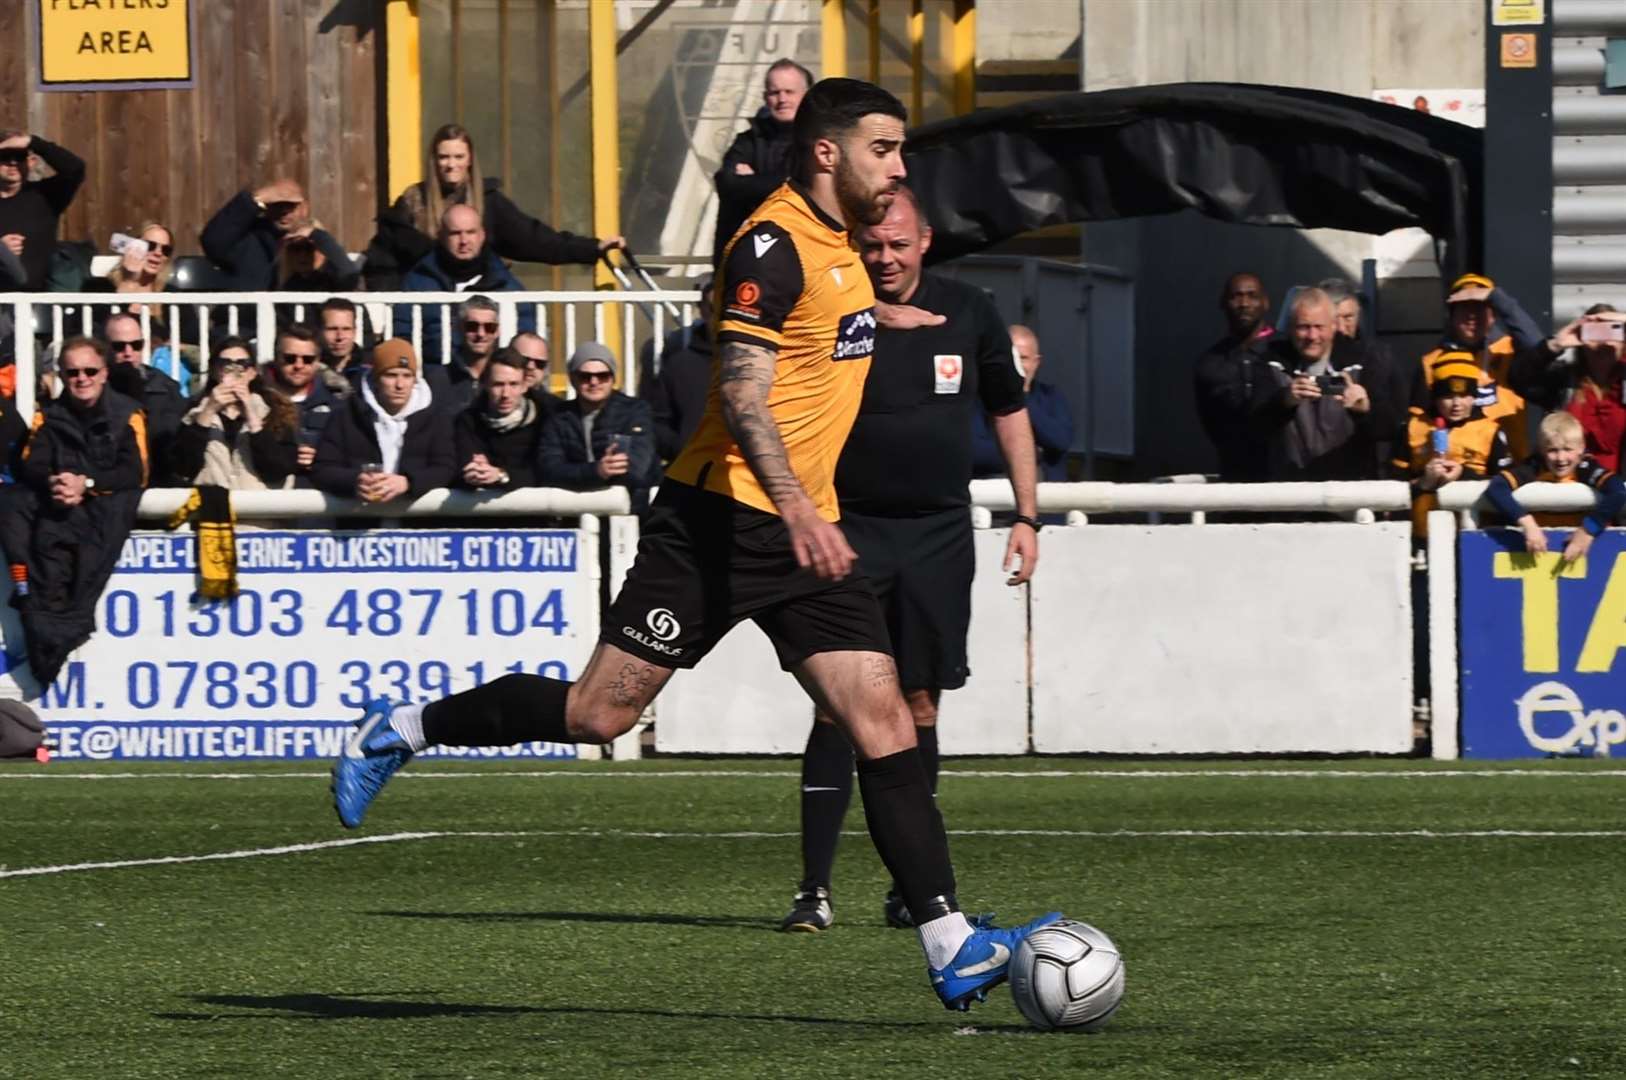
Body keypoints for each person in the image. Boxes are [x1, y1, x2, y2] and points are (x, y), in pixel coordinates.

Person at [330, 76, 1059, 1015]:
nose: (900, 165)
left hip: (804, 536)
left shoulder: (841, 248)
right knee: (599, 716)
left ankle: (950, 945)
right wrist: (797, 506)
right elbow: (747, 391)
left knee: (882, 722)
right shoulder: (769, 240)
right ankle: (400, 727)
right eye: (885, 147)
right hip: (718, 524)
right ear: (829, 152)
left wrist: (880, 320)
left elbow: (813, 335)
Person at [781, 184, 1040, 934]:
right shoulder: (833, 312)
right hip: (844, 529)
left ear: (925, 240)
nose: (885, 257)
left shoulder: (970, 310)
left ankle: (911, 892)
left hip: (937, 535)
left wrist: (1027, 516)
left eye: (898, 244)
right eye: (872, 245)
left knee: (920, 703)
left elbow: (1009, 411)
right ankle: (813, 890)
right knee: (836, 704)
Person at [0, 338, 145, 685]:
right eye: (73, 372)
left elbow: (135, 472)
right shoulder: (46, 415)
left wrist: (88, 484)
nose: (82, 378)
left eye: (90, 371)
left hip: (98, 522)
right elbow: (30, 466)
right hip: (54, 519)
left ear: (104, 373)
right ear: (63, 375)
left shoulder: (130, 413)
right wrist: (57, 483)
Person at [363, 122, 621, 290]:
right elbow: (382, 261)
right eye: (443, 157)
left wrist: (591, 248)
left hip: (479, 312)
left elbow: (537, 240)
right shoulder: (411, 202)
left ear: (470, 160)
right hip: (425, 307)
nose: (451, 164)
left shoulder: (489, 202)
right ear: (433, 161)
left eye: (458, 156)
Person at [1416, 272, 1546, 461]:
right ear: (1451, 317)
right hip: (1455, 469)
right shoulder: (1432, 362)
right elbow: (1418, 424)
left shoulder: (1509, 351)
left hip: (1512, 465)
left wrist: (1497, 299)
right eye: (1464, 308)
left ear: (1493, 316)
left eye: (1479, 307)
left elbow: (1539, 347)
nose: (1471, 316)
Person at [311, 339, 456, 502]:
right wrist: (355, 481)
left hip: (415, 523)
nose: (400, 385)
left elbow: (446, 468)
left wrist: (408, 482)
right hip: (359, 522)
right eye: (391, 375)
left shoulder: (435, 418)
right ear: (376, 379)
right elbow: (322, 469)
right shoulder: (346, 416)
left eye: (407, 376)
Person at [1256, 288, 1374, 481]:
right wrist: (1284, 400)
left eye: (1319, 327)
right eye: (1303, 327)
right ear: (1290, 328)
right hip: (1290, 493)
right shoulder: (1270, 362)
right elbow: (1252, 425)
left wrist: (1363, 410)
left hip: (1348, 492)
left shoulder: (1363, 360)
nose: (1312, 336)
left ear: (1334, 326)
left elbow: (1389, 427)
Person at [394, 208, 534, 366]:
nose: (464, 241)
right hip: (433, 378)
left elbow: (525, 339)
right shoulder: (418, 282)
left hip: (494, 382)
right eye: (455, 233)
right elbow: (402, 336)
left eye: (471, 232)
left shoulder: (506, 284)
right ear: (441, 236)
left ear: (482, 235)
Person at [1393, 352, 1512, 536]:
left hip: (1476, 529)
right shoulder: (1412, 427)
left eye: (1464, 395)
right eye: (1448, 396)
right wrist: (1424, 481)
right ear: (1435, 396)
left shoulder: (1491, 431)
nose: (1456, 404)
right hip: (1420, 530)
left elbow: (1504, 483)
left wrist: (1463, 474)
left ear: (1474, 396)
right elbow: (1392, 481)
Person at [1486, 410, 1625, 561]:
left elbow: (1618, 492)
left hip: (1581, 552)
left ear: (1581, 448)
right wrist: (1528, 525)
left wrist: (1587, 531)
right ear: (1541, 450)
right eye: (1552, 450)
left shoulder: (1585, 466)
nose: (1561, 458)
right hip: (1539, 551)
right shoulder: (1535, 465)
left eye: (1567, 449)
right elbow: (1497, 487)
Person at [713, 59, 813, 265]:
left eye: (789, 92)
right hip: (749, 256)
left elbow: (802, 185)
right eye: (774, 93)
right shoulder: (748, 140)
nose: (782, 99)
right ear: (765, 98)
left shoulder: (818, 142)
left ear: (806, 95)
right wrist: (780, 183)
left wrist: (751, 182)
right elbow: (726, 183)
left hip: (803, 253)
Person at [167, 338, 300, 490]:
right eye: (225, 363)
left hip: (260, 509)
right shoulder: (193, 411)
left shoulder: (275, 412)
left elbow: (278, 470)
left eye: (242, 364)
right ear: (214, 369)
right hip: (212, 509)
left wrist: (252, 416)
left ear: (252, 372)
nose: (234, 370)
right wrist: (208, 411)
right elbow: (182, 467)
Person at [1509, 304, 1626, 472]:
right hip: (1569, 488)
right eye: (1595, 333)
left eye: (1611, 332)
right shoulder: (1564, 379)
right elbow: (1519, 380)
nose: (1603, 342)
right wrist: (1556, 344)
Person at [537, 343, 659, 503]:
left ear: (612, 378)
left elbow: (636, 467)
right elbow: (549, 469)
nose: (594, 382)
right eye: (585, 376)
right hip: (574, 510)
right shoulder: (558, 417)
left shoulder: (636, 411)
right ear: (573, 379)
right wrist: (597, 471)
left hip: (631, 510)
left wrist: (605, 471)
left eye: (602, 376)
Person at [1319, 277, 1411, 476]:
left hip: (1368, 468)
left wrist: (1366, 409)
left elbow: (1398, 415)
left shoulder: (1380, 355)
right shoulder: (1308, 357)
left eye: (1348, 317)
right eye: (1334, 320)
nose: (1342, 328)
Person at [1194, 271, 1277, 481]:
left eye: (1252, 295)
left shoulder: (1285, 353)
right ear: (1223, 303)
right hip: (1235, 478)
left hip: (1286, 479)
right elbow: (1211, 424)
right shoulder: (1210, 364)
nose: (1244, 303)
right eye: (1236, 296)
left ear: (1265, 303)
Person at [971, 325, 1074, 483]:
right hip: (998, 498)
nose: (1016, 364)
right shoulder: (979, 399)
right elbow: (975, 452)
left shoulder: (1051, 397)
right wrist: (1030, 452)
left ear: (1036, 362)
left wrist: (1021, 396)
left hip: (1049, 499)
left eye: (1023, 358)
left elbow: (1060, 441)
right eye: (1011, 357)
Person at [201, 179, 328, 291]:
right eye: (277, 205)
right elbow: (213, 240)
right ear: (266, 207)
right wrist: (256, 198)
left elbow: (344, 273)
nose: (284, 211)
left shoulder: (319, 238)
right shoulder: (251, 241)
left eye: (290, 206)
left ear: (305, 207)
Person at [259, 324, 350, 479]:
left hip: (321, 494)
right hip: (267, 494)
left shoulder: (338, 401)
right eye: (290, 358)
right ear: (276, 357)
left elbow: (351, 454)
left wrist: (321, 458)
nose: (298, 365)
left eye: (307, 359)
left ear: (318, 361)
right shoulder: (255, 400)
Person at [0, 130, 86, 290]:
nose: (13, 163)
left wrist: (33, 142)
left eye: (19, 156)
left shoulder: (45, 195)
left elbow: (75, 169)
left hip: (41, 302)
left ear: (31, 162)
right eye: (5, 157)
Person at [104, 313, 185, 480]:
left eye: (136, 345)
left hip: (159, 484)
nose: (128, 352)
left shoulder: (166, 387)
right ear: (105, 347)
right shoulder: (92, 387)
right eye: (119, 346)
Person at [640, 277, 714, 460]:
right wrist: (682, 450)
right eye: (713, 308)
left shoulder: (763, 360)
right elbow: (657, 420)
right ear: (702, 310)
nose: (721, 315)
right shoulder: (676, 362)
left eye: (727, 308)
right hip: (692, 470)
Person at [455, 349, 549, 490]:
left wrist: (502, 475)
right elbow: (456, 468)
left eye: (513, 384)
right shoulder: (468, 421)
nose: (506, 394)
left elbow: (547, 471)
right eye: (498, 385)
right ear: (486, 384)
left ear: (524, 386)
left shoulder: (545, 417)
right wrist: (475, 473)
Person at [319, 297, 372, 377]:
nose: (340, 337)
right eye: (332, 329)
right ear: (320, 331)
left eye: (346, 329)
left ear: (354, 331)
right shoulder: (308, 367)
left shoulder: (370, 369)